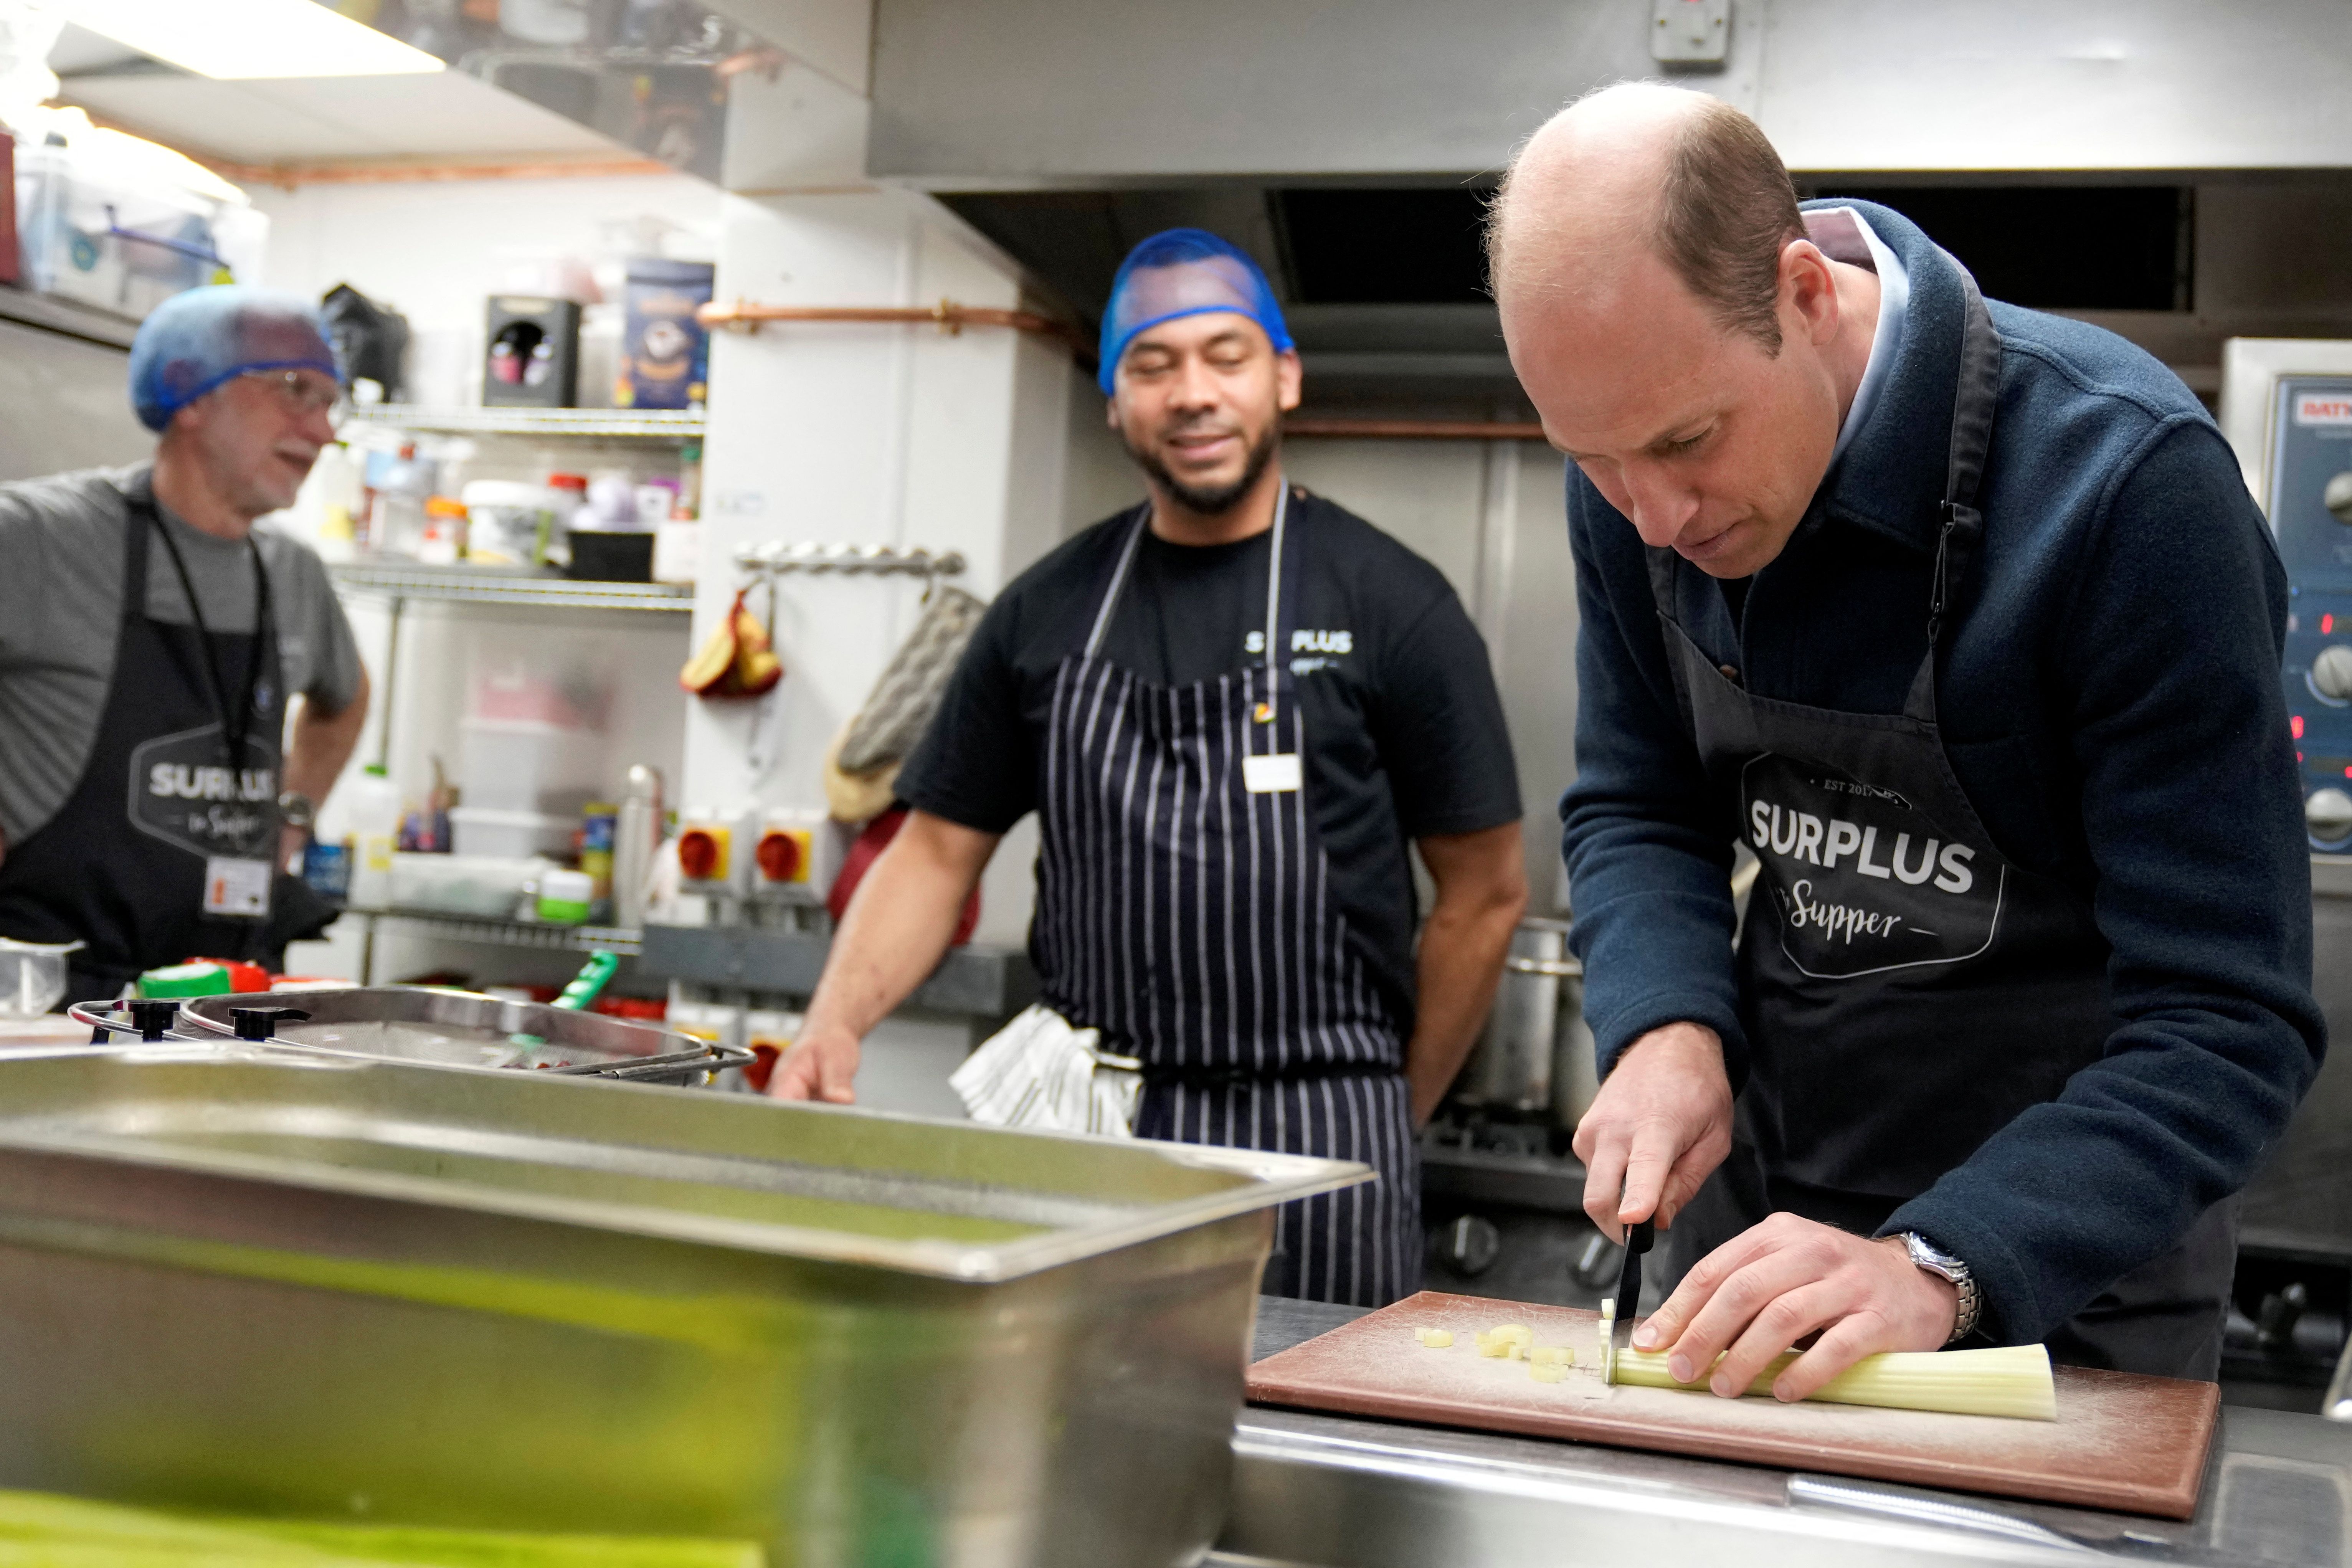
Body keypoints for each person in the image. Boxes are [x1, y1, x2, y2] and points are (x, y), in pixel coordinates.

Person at [1487, 84, 2321, 1391]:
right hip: (1752, 1246)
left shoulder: (2120, 486)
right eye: (1591, 461)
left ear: (1802, 293)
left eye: (1684, 442)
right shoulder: (1634, 460)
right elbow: (1638, 799)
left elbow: (2225, 1018)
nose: (1648, 518)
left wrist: (1935, 1261)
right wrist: (1662, 1023)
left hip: (2057, 1302)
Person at [770, 229, 1529, 1306]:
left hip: (1322, 1135)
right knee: (1064, 1433)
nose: (1193, 394)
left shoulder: (1393, 604)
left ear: (1286, 376)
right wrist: (831, 1022)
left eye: (1227, 355)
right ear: (1115, 401)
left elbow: (1487, 892)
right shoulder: (1044, 611)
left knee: (1297, 1462)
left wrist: (1387, 1110)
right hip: (1091, 1127)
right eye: (1154, 364)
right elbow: (935, 853)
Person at [0, 285, 370, 1000]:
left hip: (219, 1003)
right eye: (296, 390)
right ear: (189, 394)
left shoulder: (291, 573)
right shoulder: (43, 537)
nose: (324, 430)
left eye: (332, 403)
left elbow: (346, 699)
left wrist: (294, 813)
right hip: (47, 1004)